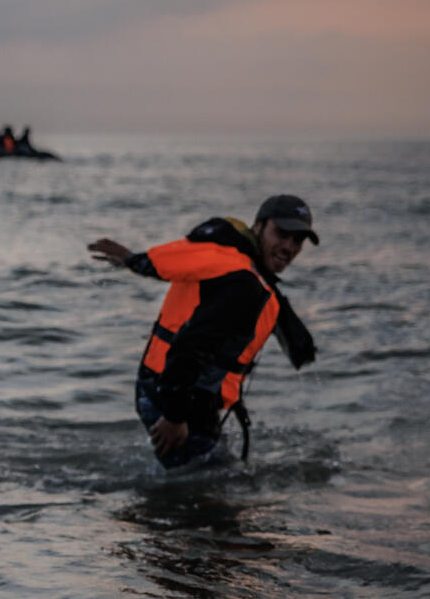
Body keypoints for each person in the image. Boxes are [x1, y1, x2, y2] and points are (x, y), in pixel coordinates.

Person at [88, 195, 319, 469]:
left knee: (206, 485)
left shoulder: (239, 265)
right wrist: (175, 418)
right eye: (281, 234)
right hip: (175, 397)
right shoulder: (242, 283)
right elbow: (190, 344)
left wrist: (131, 259)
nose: (289, 247)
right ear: (258, 227)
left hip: (167, 389)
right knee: (203, 500)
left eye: (298, 240)